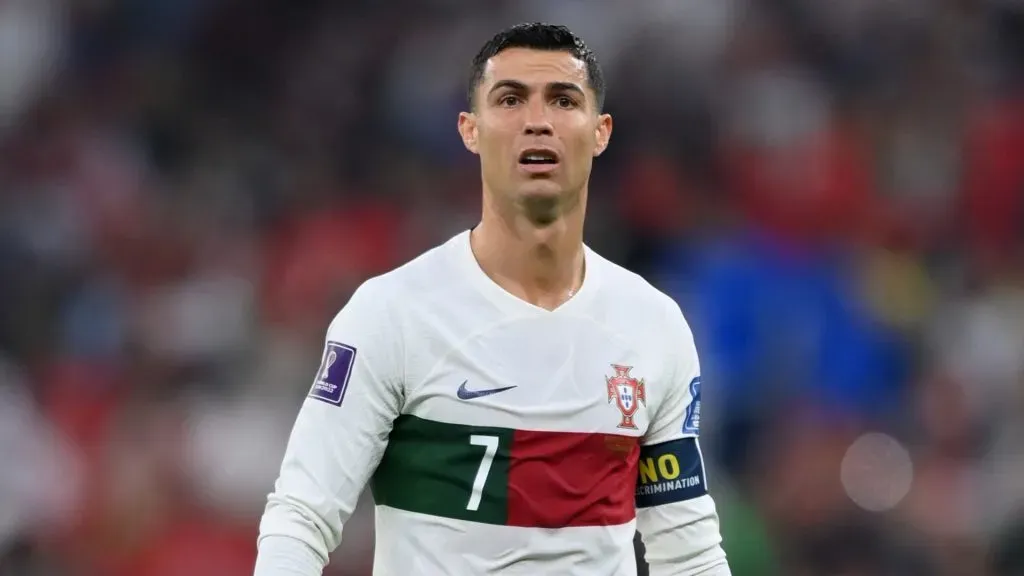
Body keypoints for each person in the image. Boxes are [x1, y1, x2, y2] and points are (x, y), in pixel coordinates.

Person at [254, 22, 731, 576]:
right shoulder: (393, 314)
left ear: (600, 132)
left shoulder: (653, 327)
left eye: (562, 100)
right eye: (510, 100)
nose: (537, 121)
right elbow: (301, 517)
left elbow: (688, 554)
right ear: (470, 130)